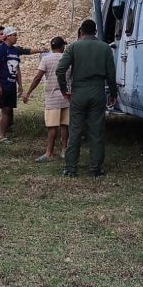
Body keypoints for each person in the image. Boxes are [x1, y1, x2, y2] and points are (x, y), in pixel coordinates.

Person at [56, 18, 117, 177]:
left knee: (75, 130)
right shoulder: (105, 48)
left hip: (78, 92)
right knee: (97, 132)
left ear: (81, 32)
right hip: (97, 91)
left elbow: (60, 70)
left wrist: (64, 89)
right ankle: (95, 169)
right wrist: (113, 93)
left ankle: (71, 168)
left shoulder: (73, 47)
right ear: (96, 31)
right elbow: (111, 74)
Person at [22, 36, 70, 162]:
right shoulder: (68, 59)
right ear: (62, 47)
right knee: (65, 125)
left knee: (52, 127)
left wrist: (28, 92)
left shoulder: (46, 59)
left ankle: (49, 153)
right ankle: (64, 150)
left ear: (52, 47)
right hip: (67, 97)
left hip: (52, 97)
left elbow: (37, 78)